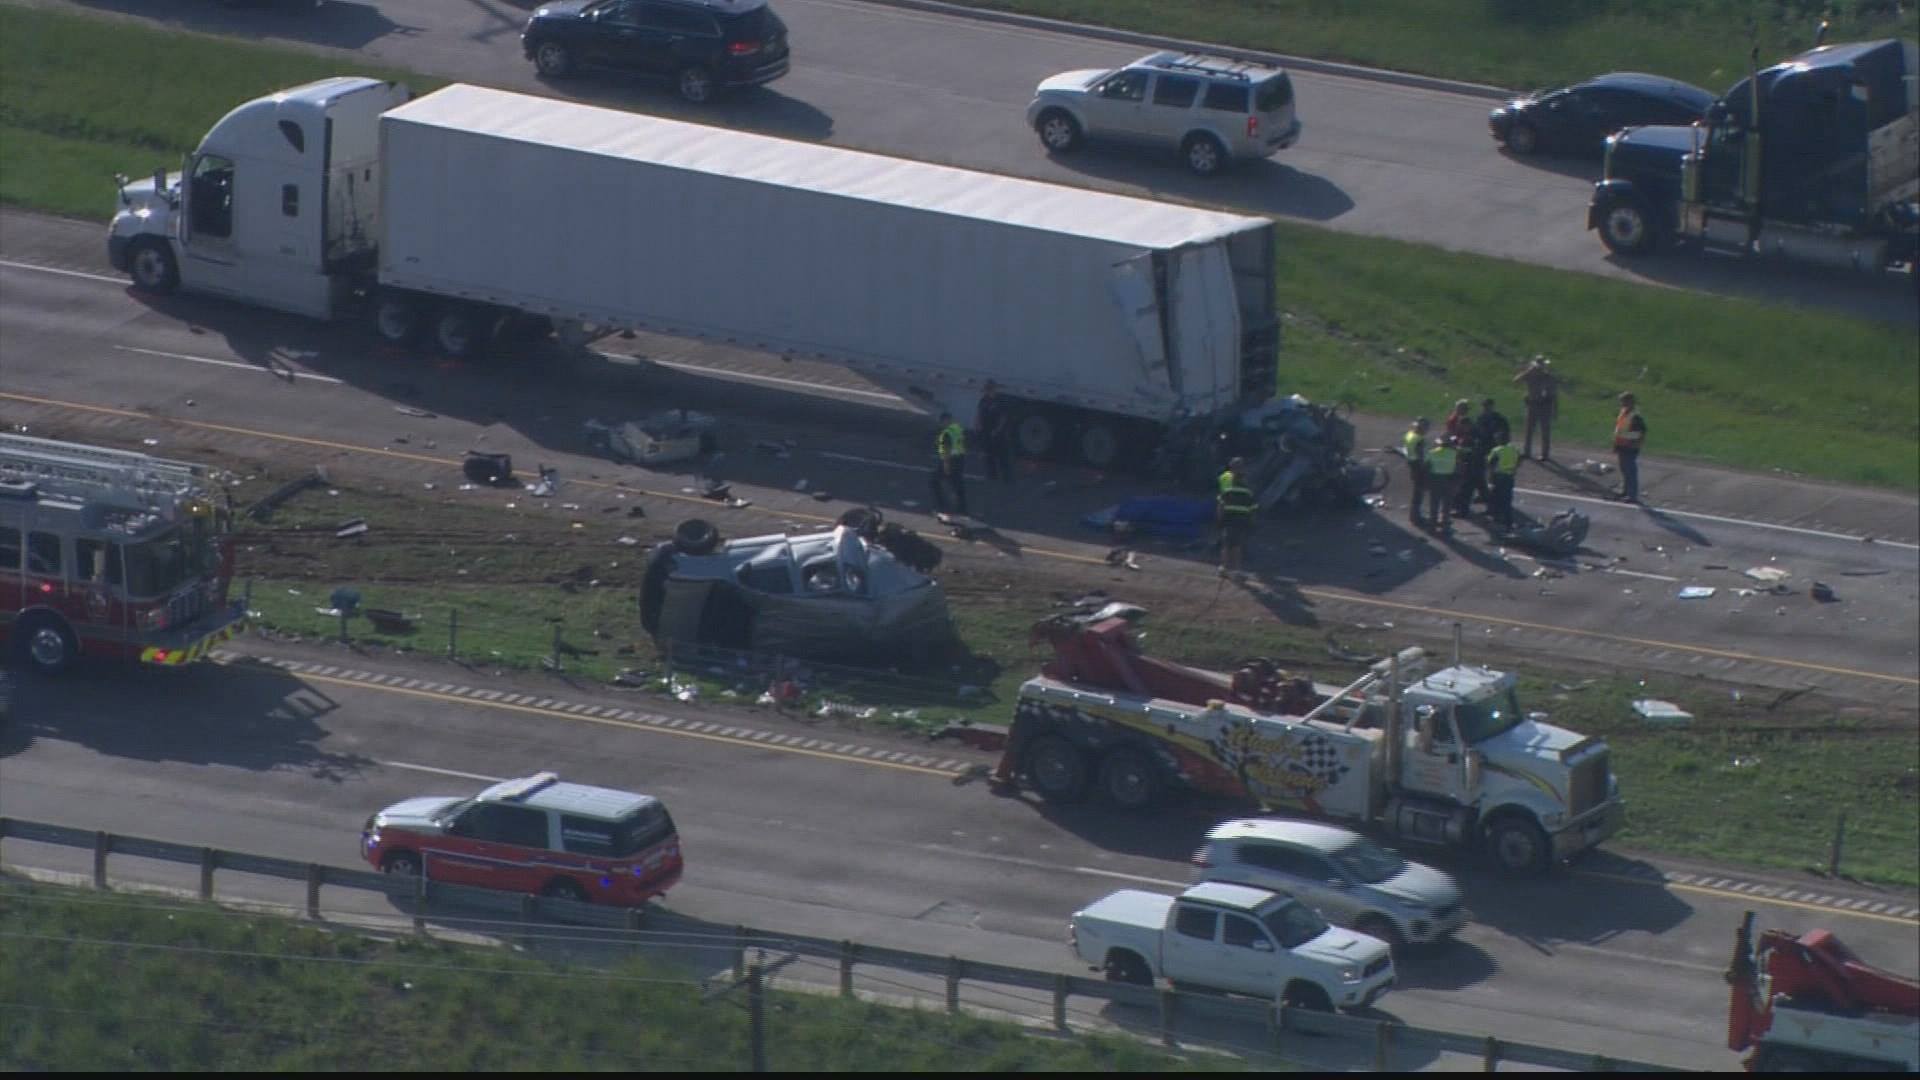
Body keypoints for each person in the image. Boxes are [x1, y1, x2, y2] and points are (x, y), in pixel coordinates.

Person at [1466, 397, 1511, 509]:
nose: (1486, 408)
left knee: (1493, 473)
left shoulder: (1499, 419)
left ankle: (1494, 497)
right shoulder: (1480, 418)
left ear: (1492, 406)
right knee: (1479, 472)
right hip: (1481, 447)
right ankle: (1483, 493)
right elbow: (1475, 431)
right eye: (1484, 406)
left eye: (1488, 406)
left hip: (1495, 448)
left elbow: (1505, 434)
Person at [1512, 356, 1559, 460]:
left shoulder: (1549, 378)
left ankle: (1545, 454)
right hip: (1532, 405)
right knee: (1529, 430)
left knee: (1545, 431)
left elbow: (1554, 396)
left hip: (1545, 406)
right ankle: (1527, 451)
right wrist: (1527, 372)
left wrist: (1555, 410)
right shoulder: (1529, 375)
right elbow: (1515, 381)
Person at [1216, 459, 1256, 578]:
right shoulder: (1248, 491)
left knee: (1227, 545)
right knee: (1237, 546)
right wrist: (1252, 521)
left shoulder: (1226, 486)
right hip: (1241, 520)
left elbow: (1221, 505)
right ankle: (1236, 570)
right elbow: (1253, 508)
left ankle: (1223, 568)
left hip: (1228, 519)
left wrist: (1219, 520)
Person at [975, 381, 1014, 487]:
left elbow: (1003, 417)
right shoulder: (984, 400)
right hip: (986, 431)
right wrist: (978, 425)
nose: (988, 391)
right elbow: (979, 413)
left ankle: (1007, 478)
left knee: (1003, 456)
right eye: (987, 389)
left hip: (998, 433)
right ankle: (992, 477)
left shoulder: (1001, 400)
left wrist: (997, 430)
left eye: (990, 389)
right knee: (988, 456)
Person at [930, 411, 968, 516]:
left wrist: (946, 465)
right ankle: (962, 509)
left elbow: (945, 451)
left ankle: (941, 507)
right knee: (958, 484)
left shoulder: (945, 434)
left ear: (944, 421)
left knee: (935, 481)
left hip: (950, 461)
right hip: (959, 460)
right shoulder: (957, 429)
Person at [1612, 391, 1646, 502]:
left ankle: (1632, 495)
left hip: (1630, 446)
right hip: (1622, 445)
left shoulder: (1635, 416)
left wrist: (1634, 444)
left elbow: (1641, 432)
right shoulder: (1623, 412)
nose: (1622, 403)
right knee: (1624, 470)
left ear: (1630, 402)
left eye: (1624, 401)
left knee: (1630, 471)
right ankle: (1625, 491)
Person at [1485, 431, 1521, 531]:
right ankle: (1508, 521)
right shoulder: (1514, 449)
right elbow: (1519, 460)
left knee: (1495, 499)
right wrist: (1514, 469)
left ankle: (1496, 520)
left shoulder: (1496, 450)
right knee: (1507, 500)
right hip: (1509, 477)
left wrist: (1490, 477)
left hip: (1499, 477)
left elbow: (1490, 464)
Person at [1425, 434, 1459, 531]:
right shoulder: (1455, 453)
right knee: (1447, 504)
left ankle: (1432, 525)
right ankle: (1445, 526)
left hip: (1435, 479)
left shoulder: (1432, 452)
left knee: (1434, 503)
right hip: (1449, 479)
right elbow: (1458, 467)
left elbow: (1427, 466)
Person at [1401, 417, 1429, 528]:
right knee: (1419, 492)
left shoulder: (1409, 434)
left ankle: (1414, 515)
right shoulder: (1419, 439)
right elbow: (1420, 455)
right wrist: (1425, 468)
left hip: (1412, 463)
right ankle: (1415, 516)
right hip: (1418, 466)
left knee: (1417, 491)